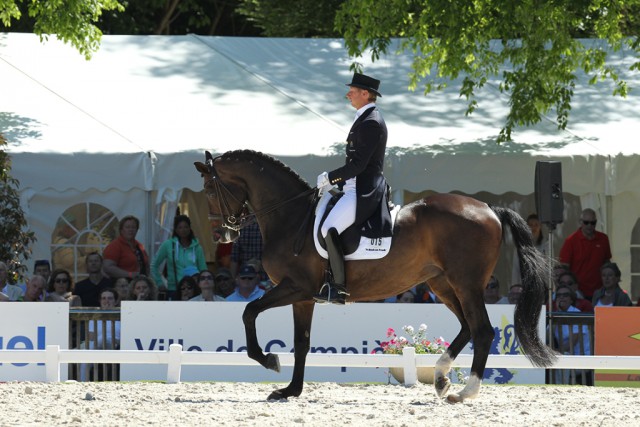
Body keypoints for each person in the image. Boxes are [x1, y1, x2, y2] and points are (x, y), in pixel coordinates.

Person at [313, 72, 389, 305]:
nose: (348, 94)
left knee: (328, 228)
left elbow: (358, 165)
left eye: (353, 91)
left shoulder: (370, 122)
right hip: (353, 186)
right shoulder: (364, 118)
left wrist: (330, 178)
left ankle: (339, 288)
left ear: (365, 94)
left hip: (363, 189)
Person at [151, 214, 207, 300]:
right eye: (180, 227)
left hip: (193, 289)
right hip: (174, 289)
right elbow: (154, 265)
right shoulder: (168, 245)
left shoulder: (197, 247)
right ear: (176, 230)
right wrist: (159, 283)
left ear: (189, 228)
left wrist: (202, 286)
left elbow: (203, 270)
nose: (183, 230)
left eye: (186, 227)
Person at [559, 208, 611, 300]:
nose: (589, 225)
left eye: (593, 223)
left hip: (600, 291)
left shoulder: (603, 239)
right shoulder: (571, 241)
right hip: (578, 292)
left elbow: (607, 263)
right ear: (580, 222)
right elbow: (564, 268)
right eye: (586, 222)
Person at [80, 288, 121, 381]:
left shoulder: (122, 317)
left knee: (104, 338)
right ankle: (82, 383)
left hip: (115, 346)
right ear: (100, 301)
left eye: (110, 298)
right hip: (96, 347)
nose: (107, 301)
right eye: (104, 298)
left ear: (115, 301)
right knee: (85, 356)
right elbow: (90, 337)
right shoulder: (94, 319)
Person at [103, 215, 150, 280]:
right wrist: (129, 274)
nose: (131, 230)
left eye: (133, 227)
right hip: (123, 285)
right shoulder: (114, 246)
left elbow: (146, 265)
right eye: (127, 227)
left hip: (140, 285)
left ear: (137, 230)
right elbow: (107, 268)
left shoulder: (139, 246)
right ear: (121, 230)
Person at [511, 214, 547, 285]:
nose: (533, 227)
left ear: (540, 226)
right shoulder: (520, 246)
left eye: (536, 225)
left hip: (542, 285)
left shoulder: (546, 244)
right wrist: (514, 287)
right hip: (524, 285)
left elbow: (548, 268)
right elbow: (516, 269)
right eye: (530, 225)